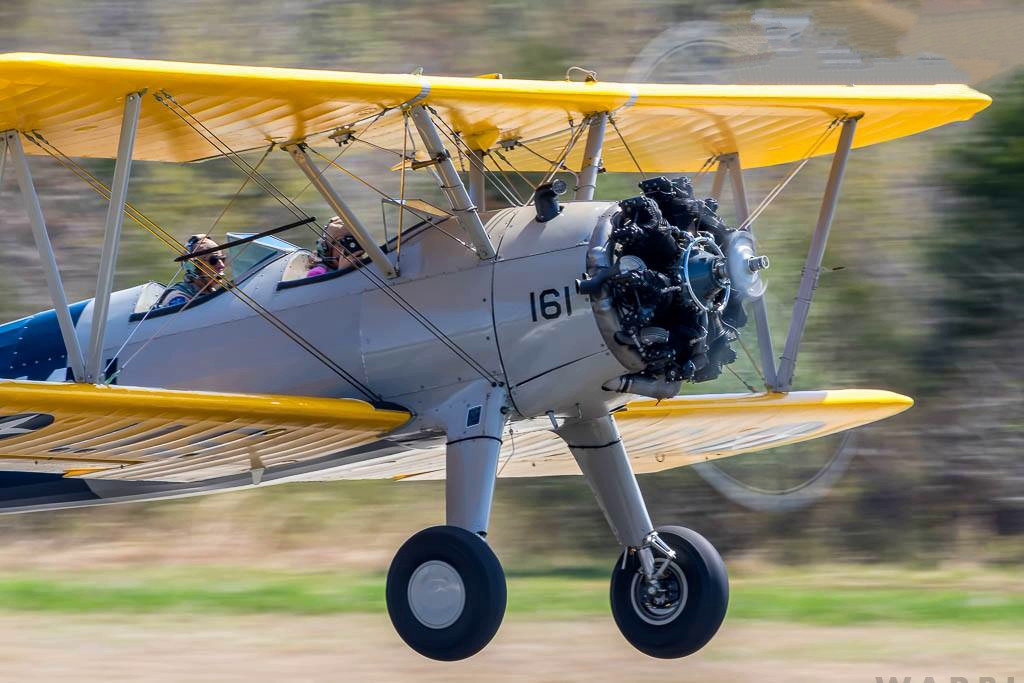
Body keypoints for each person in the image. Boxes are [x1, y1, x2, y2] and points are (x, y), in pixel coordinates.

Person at [154, 235, 227, 308]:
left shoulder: (209, 292)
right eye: (214, 260)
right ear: (194, 267)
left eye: (223, 259)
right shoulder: (179, 299)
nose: (222, 265)